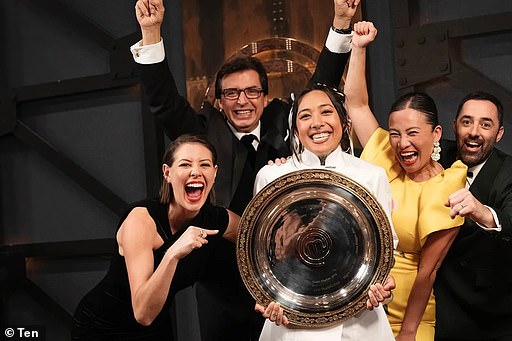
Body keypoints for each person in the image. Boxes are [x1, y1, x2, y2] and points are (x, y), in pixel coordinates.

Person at [131, 1, 361, 339]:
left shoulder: (285, 122)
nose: (243, 100)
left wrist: (341, 22)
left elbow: (321, 85)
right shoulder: (202, 131)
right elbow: (164, 102)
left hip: (289, 275)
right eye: (232, 94)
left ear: (266, 98)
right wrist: (151, 33)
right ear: (220, 102)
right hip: (221, 284)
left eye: (252, 91)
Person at [343, 22, 468, 340]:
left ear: (436, 134)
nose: (401, 143)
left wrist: (409, 332)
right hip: (360, 307)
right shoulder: (383, 153)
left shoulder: (448, 184)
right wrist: (358, 48)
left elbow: (428, 271)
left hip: (408, 317)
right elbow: (356, 103)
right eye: (396, 133)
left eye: (413, 133)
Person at [253, 83, 397, 340]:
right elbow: (262, 254)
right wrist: (266, 296)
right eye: (305, 115)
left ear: (344, 120)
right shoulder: (272, 177)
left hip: (359, 320)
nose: (317, 123)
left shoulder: (371, 175)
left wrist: (384, 284)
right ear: (295, 127)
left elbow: (385, 247)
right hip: (293, 319)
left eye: (326, 112)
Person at [72, 134, 239, 340]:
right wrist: (172, 255)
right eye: (185, 165)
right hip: (103, 327)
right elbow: (143, 313)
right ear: (167, 173)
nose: (196, 172)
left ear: (214, 173)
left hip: (156, 327)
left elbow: (262, 235)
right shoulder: (141, 220)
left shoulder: (216, 219)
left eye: (204, 165)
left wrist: (284, 168)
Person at [434, 91, 512, 341]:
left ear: (499, 134)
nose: (474, 131)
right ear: (455, 126)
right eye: (467, 121)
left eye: (486, 124)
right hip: (450, 308)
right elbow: (383, 139)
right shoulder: (438, 154)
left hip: (501, 317)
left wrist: (482, 212)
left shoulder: (509, 176)